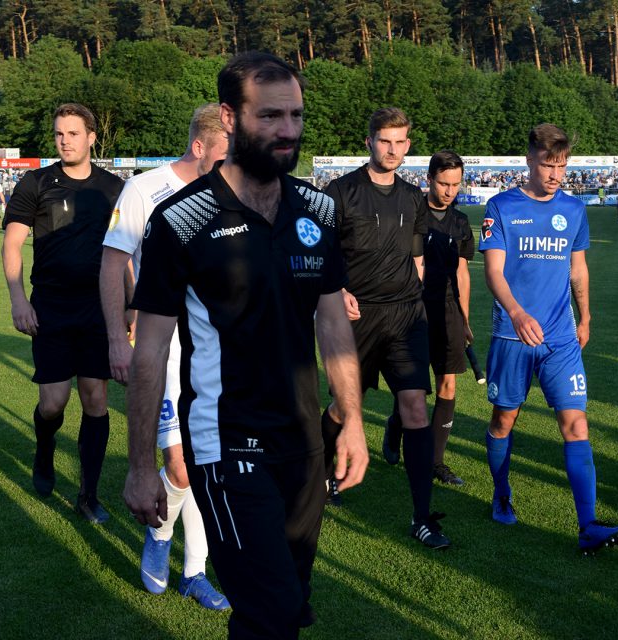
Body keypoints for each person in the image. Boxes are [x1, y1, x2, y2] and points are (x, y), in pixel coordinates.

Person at [123, 52, 368, 638]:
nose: (288, 131)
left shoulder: (318, 210)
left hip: (304, 439)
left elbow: (333, 323)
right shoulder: (181, 221)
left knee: (285, 609)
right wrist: (140, 466)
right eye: (271, 117)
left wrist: (352, 419)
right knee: (273, 608)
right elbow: (150, 349)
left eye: (296, 115)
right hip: (225, 443)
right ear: (230, 118)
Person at [99, 104, 229, 609]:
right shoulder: (143, 191)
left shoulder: (228, 190)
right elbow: (112, 265)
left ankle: (195, 572)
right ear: (199, 147)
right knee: (179, 464)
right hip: (162, 343)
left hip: (215, 348)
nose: (230, 164)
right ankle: (158, 537)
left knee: (204, 462)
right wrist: (116, 337)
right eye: (223, 155)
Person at [480, 123, 618, 554]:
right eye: (548, 165)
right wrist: (517, 312)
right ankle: (502, 491)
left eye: (562, 166)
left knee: (576, 423)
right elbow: (492, 271)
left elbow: (577, 268)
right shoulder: (501, 206)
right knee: (503, 420)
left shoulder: (574, 209)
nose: (556, 175)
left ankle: (588, 526)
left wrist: (586, 316)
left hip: (561, 337)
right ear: (529, 160)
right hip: (513, 334)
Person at [322, 107, 450, 549]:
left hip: (405, 316)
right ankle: (324, 475)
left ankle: (422, 517)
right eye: (384, 141)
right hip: (356, 319)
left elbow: (416, 255)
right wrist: (336, 290)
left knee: (415, 408)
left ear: (408, 145)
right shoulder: (339, 193)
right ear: (369, 142)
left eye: (400, 142)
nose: (392, 150)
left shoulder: (415, 199)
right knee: (343, 409)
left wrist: (420, 302)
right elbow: (320, 254)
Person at [2, 103, 124, 523]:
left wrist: (128, 308)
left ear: (92, 137)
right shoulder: (36, 182)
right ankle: (44, 447)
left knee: (95, 396)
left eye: (73, 133)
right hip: (50, 306)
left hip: (97, 307)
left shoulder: (113, 188)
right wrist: (18, 300)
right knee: (53, 403)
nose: (65, 140)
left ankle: (88, 495)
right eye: (59, 133)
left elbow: (123, 254)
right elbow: (13, 244)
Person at [388, 151, 475, 486]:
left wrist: (465, 318)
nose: (449, 190)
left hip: (449, 311)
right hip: (412, 309)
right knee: (412, 385)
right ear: (428, 179)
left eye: (455, 184)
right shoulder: (412, 213)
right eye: (443, 183)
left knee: (447, 383)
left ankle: (435, 462)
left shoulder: (461, 221)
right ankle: (395, 428)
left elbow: (463, 273)